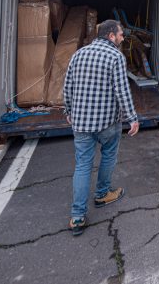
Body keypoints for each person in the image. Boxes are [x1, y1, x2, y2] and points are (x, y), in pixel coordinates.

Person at [63, 20, 140, 236]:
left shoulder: (78, 54)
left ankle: (77, 216)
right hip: (107, 123)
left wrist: (67, 111)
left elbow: (67, 86)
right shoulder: (115, 56)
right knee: (108, 157)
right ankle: (102, 194)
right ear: (110, 36)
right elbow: (122, 92)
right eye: (121, 34)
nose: (123, 37)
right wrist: (132, 118)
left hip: (80, 123)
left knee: (82, 165)